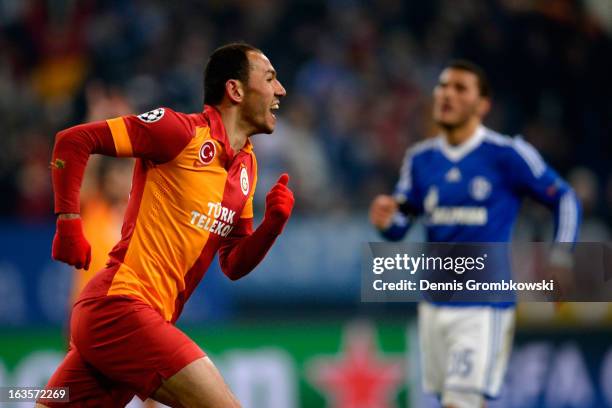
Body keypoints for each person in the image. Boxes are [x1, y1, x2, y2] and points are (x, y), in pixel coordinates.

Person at [39, 42, 293, 408]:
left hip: (133, 323)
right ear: (235, 90)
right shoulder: (179, 133)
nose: (280, 89)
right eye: (270, 79)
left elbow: (233, 263)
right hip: (120, 307)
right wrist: (68, 222)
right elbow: (73, 141)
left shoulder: (247, 167)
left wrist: (271, 226)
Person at [369, 60, 580, 408]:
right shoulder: (419, 160)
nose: (447, 94)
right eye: (442, 86)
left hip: (483, 304)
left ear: (483, 105)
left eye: (460, 88)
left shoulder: (507, 154)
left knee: (460, 402)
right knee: (456, 401)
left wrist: (561, 255)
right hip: (434, 303)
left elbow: (565, 198)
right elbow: (401, 224)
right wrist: (385, 220)